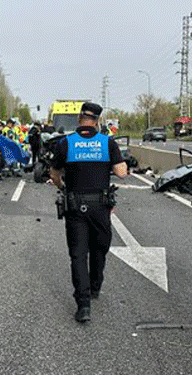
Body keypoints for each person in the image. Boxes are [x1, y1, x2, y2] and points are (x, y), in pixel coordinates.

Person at [50, 102, 128, 323]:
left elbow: (54, 174)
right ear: (97, 121)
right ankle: (95, 287)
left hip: (75, 207)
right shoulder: (107, 143)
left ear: (79, 119)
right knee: (99, 249)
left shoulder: (66, 143)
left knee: (78, 255)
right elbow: (121, 173)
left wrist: (61, 186)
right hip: (100, 208)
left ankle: (83, 305)